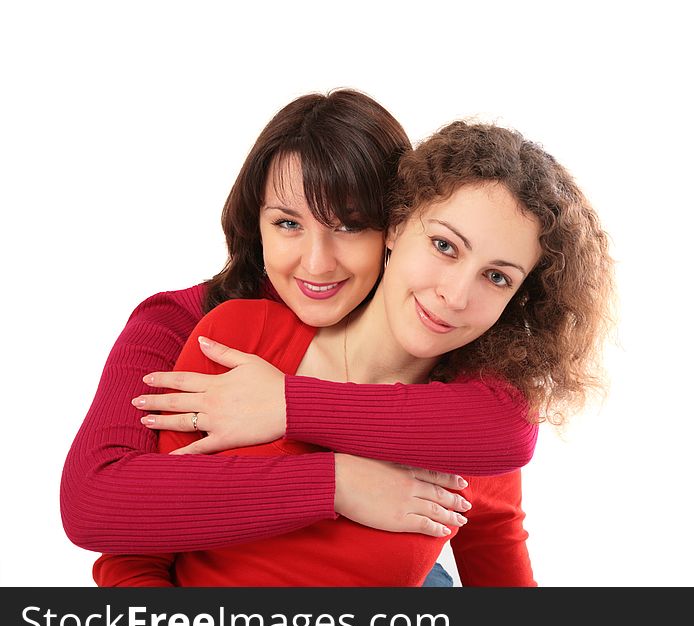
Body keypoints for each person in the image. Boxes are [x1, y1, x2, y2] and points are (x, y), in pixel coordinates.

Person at [93, 120, 615, 586]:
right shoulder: (235, 338)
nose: (455, 296)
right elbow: (131, 553)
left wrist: (288, 406)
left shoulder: (473, 423)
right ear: (397, 226)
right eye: (444, 246)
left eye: (497, 277)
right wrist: (334, 482)